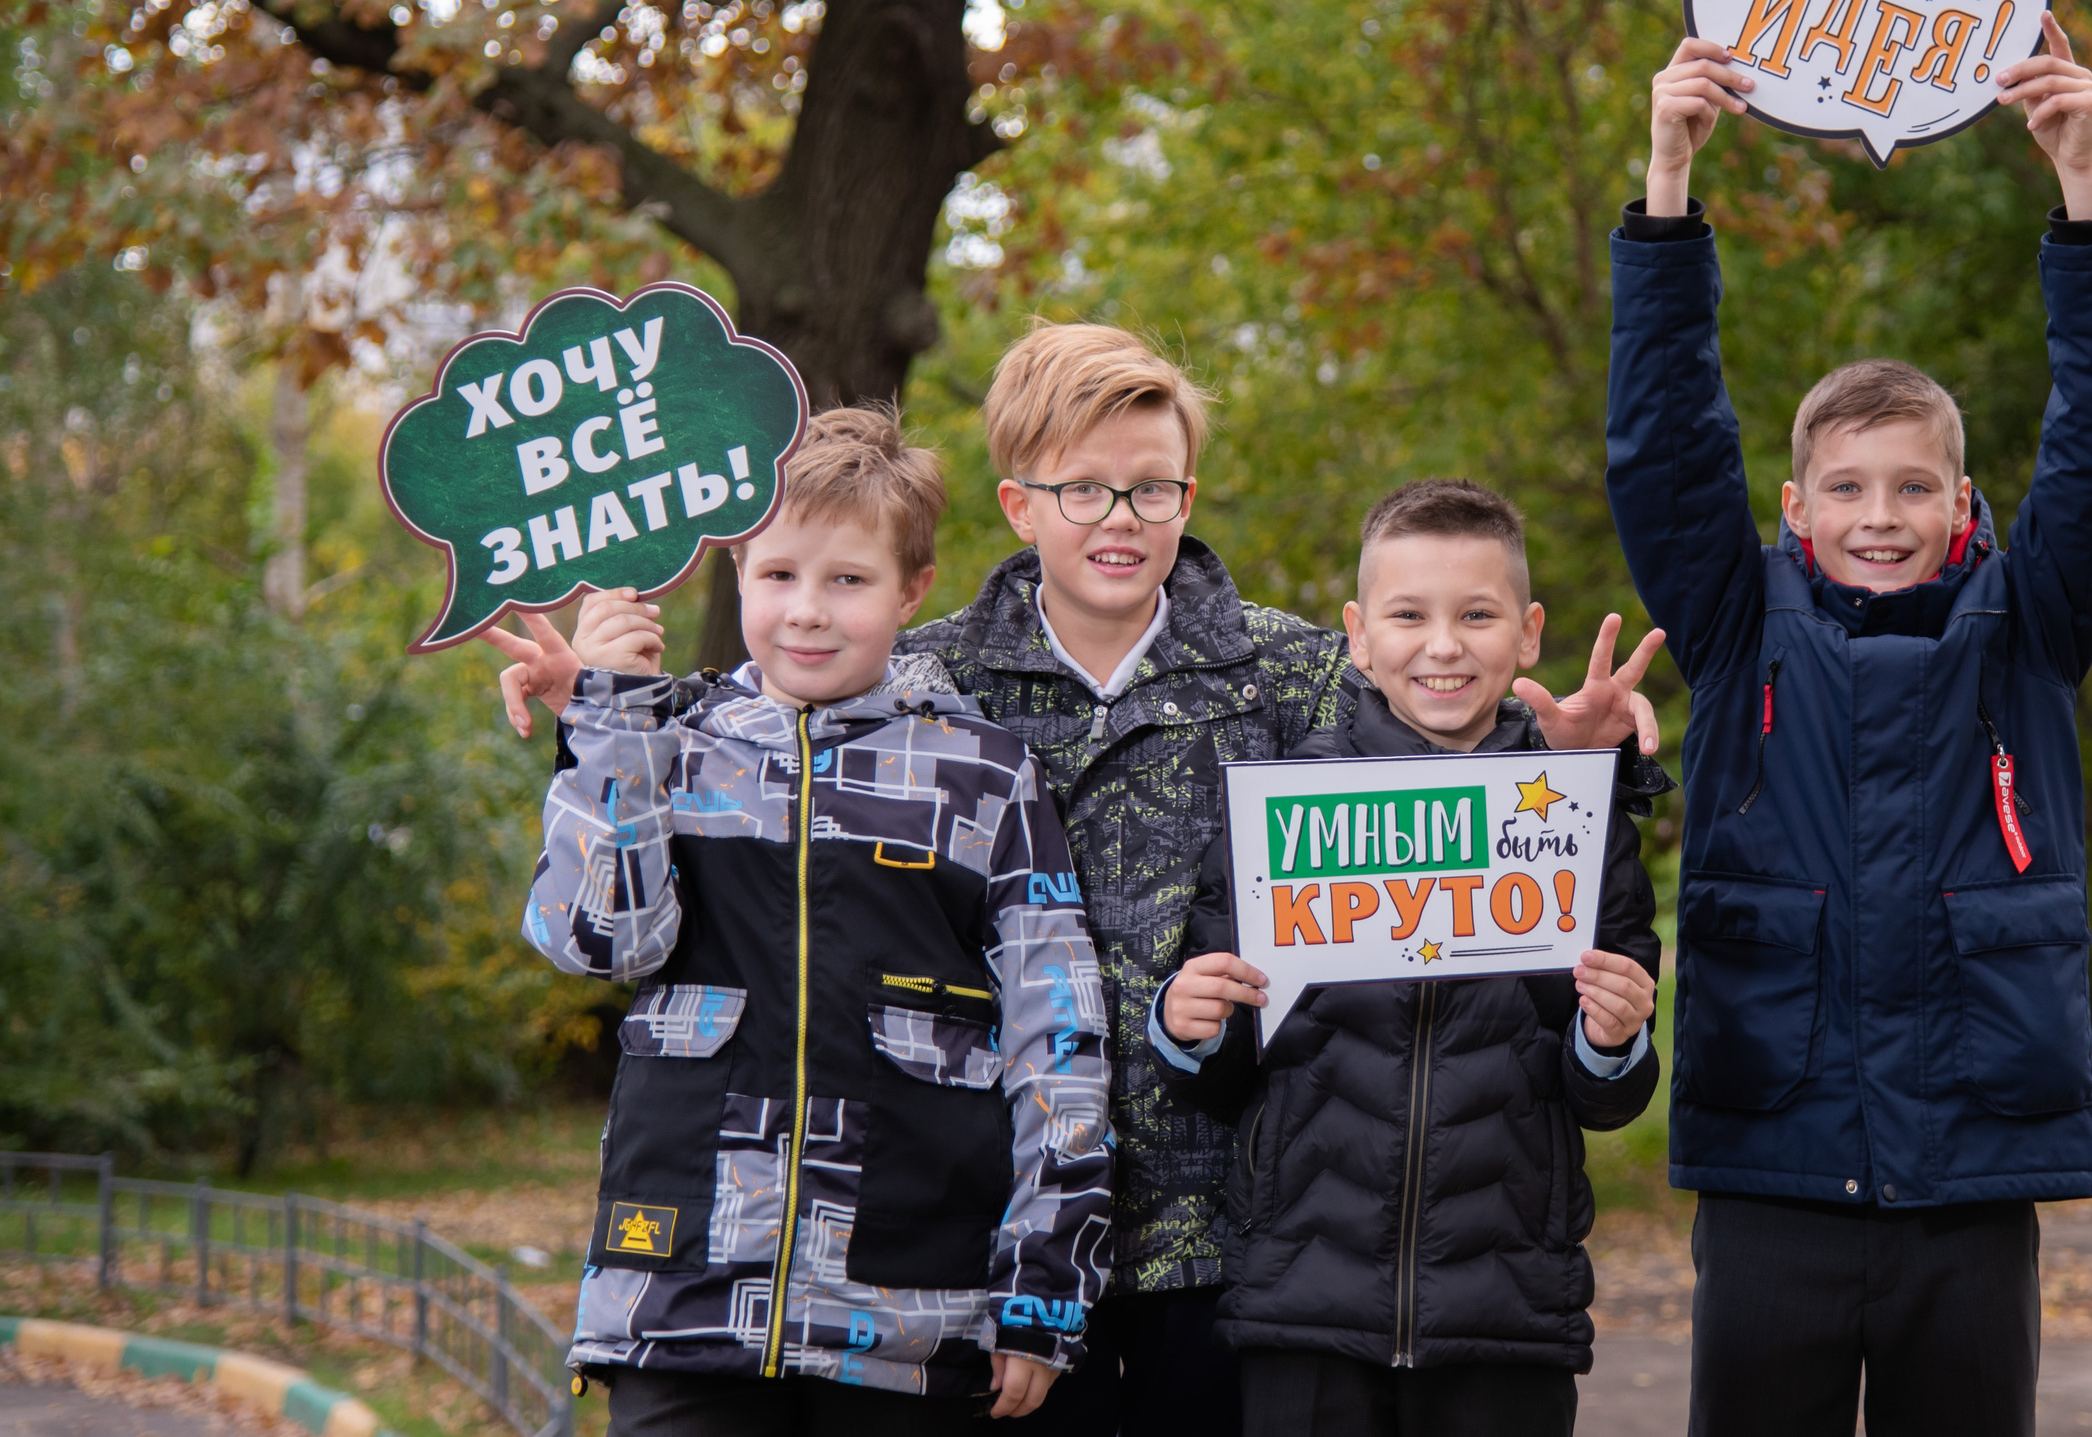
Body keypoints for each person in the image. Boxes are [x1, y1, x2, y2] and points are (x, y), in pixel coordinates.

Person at [495, 326, 1661, 1437]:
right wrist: (596, 703)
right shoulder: (924, 671)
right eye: (1083, 489)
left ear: (1188, 496)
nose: (1121, 518)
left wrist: (1565, 763)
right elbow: (766, 725)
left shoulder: (1292, 672)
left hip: (1222, 1227)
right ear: (1021, 503)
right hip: (981, 1225)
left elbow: (1445, 777)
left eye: (1153, 488)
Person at [1608, 17, 2092, 1436]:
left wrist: (2084, 190)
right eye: (1848, 488)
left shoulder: (2028, 627)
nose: (1879, 516)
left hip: (1971, 1174)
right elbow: (1665, 436)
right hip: (1775, 1173)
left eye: (1913, 487)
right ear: (1795, 507)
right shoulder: (1741, 625)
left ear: (1963, 505)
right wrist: (1670, 179)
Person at [491, 408, 1111, 1436]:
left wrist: (1046, 1286)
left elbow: (1061, 1042)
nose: (807, 613)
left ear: (912, 589)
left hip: (909, 1317)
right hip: (678, 1299)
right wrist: (606, 720)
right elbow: (599, 943)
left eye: (848, 581)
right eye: (778, 577)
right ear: (736, 571)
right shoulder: (670, 740)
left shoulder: (984, 777)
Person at [1146, 477, 1669, 1437]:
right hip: (1303, 1311)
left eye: (1476, 614)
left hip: (1506, 1316)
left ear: (1526, 631)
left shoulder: (1574, 818)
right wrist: (1186, 1025)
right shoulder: (1285, 812)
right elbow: (1224, 1076)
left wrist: (1612, 1036)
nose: (1441, 644)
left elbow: (1609, 1095)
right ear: (1357, 632)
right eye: (1408, 614)